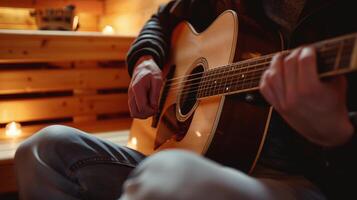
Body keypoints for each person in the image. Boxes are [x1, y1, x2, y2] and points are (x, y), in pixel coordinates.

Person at [14, 0, 357, 199]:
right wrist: (145, 61)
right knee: (43, 148)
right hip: (192, 151)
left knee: (170, 177)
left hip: (302, 180)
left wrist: (339, 136)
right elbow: (162, 18)